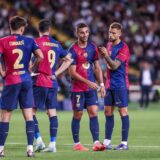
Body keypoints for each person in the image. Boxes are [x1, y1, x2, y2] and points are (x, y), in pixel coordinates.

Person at [0, 16, 43, 157]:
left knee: (6, 115)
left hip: (11, 80)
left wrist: (2, 72)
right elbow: (40, 56)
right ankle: (30, 149)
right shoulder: (30, 41)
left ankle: (0, 149)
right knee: (28, 115)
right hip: (25, 80)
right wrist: (31, 68)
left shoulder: (3, 41)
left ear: (10, 26)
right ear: (22, 28)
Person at [32, 19, 73, 153]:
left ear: (39, 30)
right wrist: (56, 73)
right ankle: (52, 144)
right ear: (49, 30)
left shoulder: (35, 42)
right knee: (52, 112)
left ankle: (39, 141)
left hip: (39, 80)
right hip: (52, 82)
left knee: (30, 112)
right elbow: (69, 59)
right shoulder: (56, 43)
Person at [68, 23, 106, 151]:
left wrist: (101, 84)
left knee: (93, 113)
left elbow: (97, 67)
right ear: (77, 33)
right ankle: (77, 144)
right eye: (82, 32)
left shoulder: (93, 48)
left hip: (91, 89)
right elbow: (72, 72)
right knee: (78, 114)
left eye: (86, 32)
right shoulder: (72, 50)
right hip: (78, 88)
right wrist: (88, 82)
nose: (85, 35)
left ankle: (96, 142)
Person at [99, 22, 130, 150]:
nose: (111, 35)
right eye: (110, 32)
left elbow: (115, 66)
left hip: (120, 84)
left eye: (113, 33)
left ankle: (124, 143)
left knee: (122, 112)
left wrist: (106, 55)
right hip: (109, 84)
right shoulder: (109, 45)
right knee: (107, 111)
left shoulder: (124, 48)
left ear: (120, 34)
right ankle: (107, 142)